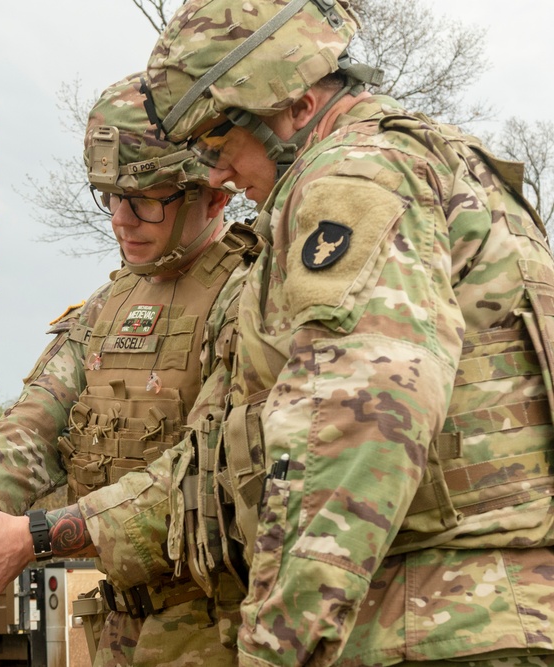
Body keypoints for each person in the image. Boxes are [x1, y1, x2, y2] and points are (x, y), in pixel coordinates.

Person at [141, 1, 554, 665]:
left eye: (218, 141)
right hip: (494, 613)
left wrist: (277, 648)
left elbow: (356, 418)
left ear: (296, 107)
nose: (214, 172)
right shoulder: (438, 160)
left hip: (433, 624)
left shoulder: (354, 173)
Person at [0, 74, 263, 666]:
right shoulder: (107, 308)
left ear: (214, 195)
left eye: (146, 198)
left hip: (226, 630)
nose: (120, 218)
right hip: (122, 629)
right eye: (108, 195)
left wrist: (30, 538)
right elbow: (33, 425)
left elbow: (204, 480)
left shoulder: (252, 296)